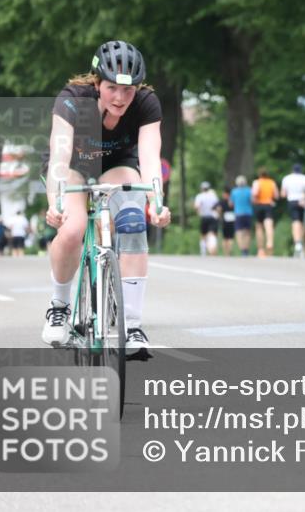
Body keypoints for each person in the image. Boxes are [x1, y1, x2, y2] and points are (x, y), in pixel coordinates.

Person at [41, 40, 172, 355]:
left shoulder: (146, 103)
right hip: (73, 166)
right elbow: (60, 155)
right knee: (72, 228)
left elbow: (150, 157)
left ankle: (132, 327)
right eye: (112, 88)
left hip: (117, 165)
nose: (120, 97)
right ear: (97, 83)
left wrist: (156, 202)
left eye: (128, 90)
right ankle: (59, 306)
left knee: (133, 221)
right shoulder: (73, 100)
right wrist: (55, 202)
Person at [280, 163, 305, 258]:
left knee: (295, 222)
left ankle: (297, 243)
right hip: (303, 201)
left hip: (292, 201)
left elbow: (283, 194)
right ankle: (302, 243)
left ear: (292, 170)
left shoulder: (286, 178)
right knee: (302, 223)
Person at [251, 168, 279, 257]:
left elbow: (254, 194)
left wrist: (254, 200)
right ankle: (269, 242)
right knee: (269, 226)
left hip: (259, 205)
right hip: (269, 205)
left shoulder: (257, 182)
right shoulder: (272, 182)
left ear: (259, 175)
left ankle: (261, 249)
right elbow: (276, 195)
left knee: (259, 227)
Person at [193, 181, 219, 256]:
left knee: (203, 235)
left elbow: (196, 206)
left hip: (204, 217)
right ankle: (212, 249)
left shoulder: (200, 196)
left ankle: (203, 251)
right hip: (213, 217)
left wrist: (199, 213)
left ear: (202, 188)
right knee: (212, 234)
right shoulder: (213, 195)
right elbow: (217, 206)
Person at [230, 175, 253, 256]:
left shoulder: (234, 192)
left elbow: (231, 204)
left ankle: (242, 250)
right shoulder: (249, 190)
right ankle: (246, 250)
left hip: (238, 213)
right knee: (247, 232)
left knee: (239, 232)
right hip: (248, 213)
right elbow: (252, 201)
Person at [217, 186, 235, 256]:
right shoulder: (233, 201)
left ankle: (226, 253)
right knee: (230, 237)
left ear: (225, 194)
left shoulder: (222, 201)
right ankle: (229, 251)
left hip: (225, 220)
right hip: (232, 219)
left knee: (225, 237)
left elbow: (219, 209)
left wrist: (219, 216)